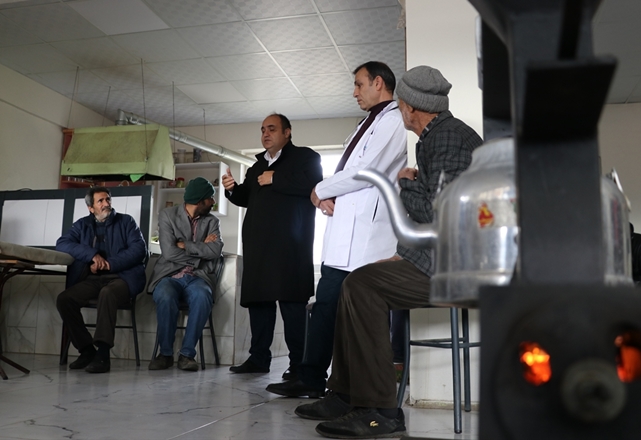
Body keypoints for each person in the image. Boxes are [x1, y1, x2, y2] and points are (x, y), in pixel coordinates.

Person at [295, 65, 483, 439]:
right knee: (356, 284)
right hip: (443, 260)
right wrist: (404, 253)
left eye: (401, 105)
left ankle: (379, 410)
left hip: (459, 269)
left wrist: (404, 183)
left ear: (411, 107)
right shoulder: (437, 137)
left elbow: (437, 215)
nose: (400, 110)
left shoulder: (447, 138)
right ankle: (345, 395)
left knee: (362, 285)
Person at [266, 61, 407, 398]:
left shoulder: (393, 121)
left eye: (359, 84)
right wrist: (326, 196)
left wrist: (319, 189)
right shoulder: (366, 124)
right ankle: (311, 377)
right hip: (344, 236)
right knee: (325, 308)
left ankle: (347, 388)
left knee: (351, 314)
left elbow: (366, 171)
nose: (354, 92)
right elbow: (351, 173)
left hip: (367, 239)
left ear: (378, 82)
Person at [224, 113, 323, 378]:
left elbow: (315, 186)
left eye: (271, 129)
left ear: (287, 132)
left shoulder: (306, 157)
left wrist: (276, 178)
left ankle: (300, 365)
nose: (265, 134)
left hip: (290, 246)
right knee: (259, 303)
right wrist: (232, 189)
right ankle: (258, 359)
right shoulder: (257, 166)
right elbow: (247, 197)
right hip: (258, 246)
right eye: (262, 130)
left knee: (292, 305)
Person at [56, 186, 147, 374]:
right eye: (100, 201)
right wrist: (92, 255)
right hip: (93, 280)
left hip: (122, 278)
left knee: (108, 293)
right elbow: (62, 243)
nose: (106, 204)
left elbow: (139, 250)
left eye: (108, 199)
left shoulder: (126, 221)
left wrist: (109, 264)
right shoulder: (82, 225)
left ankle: (103, 353)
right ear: (91, 208)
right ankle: (87, 350)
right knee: (65, 299)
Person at [147, 177, 223, 372]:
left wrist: (186, 245)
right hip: (169, 274)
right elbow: (169, 253)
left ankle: (187, 355)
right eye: (210, 198)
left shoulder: (212, 221)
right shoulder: (167, 215)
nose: (213, 202)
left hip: (198, 277)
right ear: (200, 201)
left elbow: (215, 251)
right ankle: (165, 354)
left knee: (202, 296)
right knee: (164, 295)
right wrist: (201, 249)